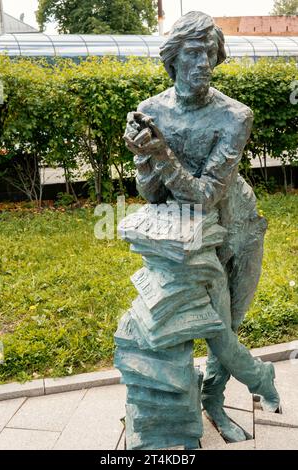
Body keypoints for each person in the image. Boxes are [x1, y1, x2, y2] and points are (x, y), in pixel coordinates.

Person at [124, 11, 280, 442]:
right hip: (187, 239)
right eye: (192, 53)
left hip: (237, 229)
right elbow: (152, 195)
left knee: (227, 329)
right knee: (207, 325)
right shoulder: (151, 111)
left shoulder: (235, 115)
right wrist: (143, 154)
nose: (203, 64)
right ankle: (233, 385)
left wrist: (163, 155)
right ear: (172, 59)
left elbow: (207, 193)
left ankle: (213, 398)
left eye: (210, 53)